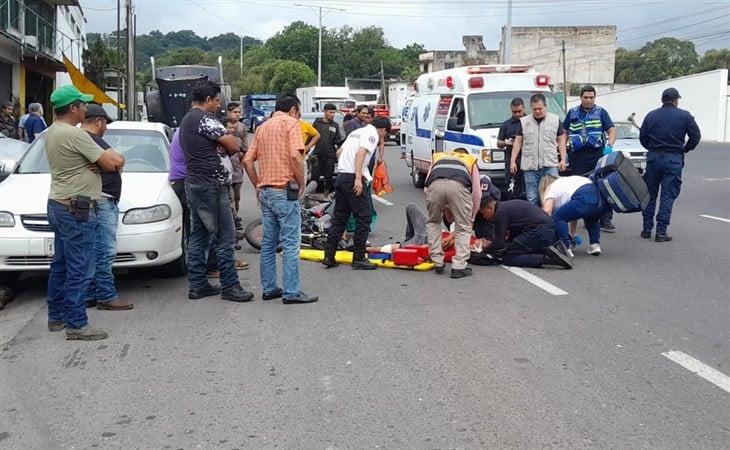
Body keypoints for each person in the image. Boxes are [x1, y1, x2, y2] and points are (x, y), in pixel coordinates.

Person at [44, 85, 125, 340]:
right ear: (73, 109)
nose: (85, 110)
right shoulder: (77, 135)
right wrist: (100, 164)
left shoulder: (52, 131)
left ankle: (56, 316)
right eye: (82, 105)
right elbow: (114, 163)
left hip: (57, 203)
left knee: (61, 264)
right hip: (76, 208)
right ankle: (77, 324)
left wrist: (94, 164)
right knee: (81, 268)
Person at [179, 80, 254, 303]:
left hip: (195, 183)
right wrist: (224, 142)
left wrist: (223, 142)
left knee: (199, 236)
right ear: (209, 99)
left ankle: (198, 284)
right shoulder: (204, 119)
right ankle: (230, 286)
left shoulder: (186, 119)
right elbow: (234, 146)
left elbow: (228, 143)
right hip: (211, 185)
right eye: (217, 101)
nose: (218, 105)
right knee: (224, 236)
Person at [243, 94, 318, 304]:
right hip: (285, 189)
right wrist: (302, 181)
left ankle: (269, 288)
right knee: (291, 242)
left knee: (268, 242)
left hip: (266, 191)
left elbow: (248, 160)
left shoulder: (262, 127)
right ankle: (291, 291)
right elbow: (296, 156)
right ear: (293, 110)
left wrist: (258, 183)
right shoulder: (292, 124)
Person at [81, 104, 133, 311]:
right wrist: (114, 164)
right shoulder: (92, 139)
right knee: (105, 249)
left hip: (98, 199)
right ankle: (105, 294)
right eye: (105, 123)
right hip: (102, 200)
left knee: (95, 249)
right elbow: (117, 161)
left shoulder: (83, 139)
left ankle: (90, 293)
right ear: (98, 121)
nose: (106, 128)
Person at [322, 116, 392, 271]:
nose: (383, 138)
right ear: (383, 130)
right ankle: (359, 257)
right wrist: (358, 178)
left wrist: (345, 168)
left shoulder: (357, 132)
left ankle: (329, 255)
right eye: (385, 134)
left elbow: (340, 152)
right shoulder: (372, 134)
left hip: (341, 176)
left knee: (340, 218)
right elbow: (361, 153)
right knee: (364, 216)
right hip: (352, 178)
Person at [640, 88, 701, 242]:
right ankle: (661, 232)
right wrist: (685, 149)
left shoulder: (651, 115)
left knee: (650, 194)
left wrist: (652, 149)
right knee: (667, 195)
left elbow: (643, 138)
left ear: (662, 100)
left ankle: (647, 229)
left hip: (653, 159)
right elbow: (695, 136)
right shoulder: (685, 116)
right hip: (673, 158)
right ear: (675, 100)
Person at [564, 85, 617, 232]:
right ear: (581, 97)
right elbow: (564, 132)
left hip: (597, 154)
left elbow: (611, 129)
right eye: (585, 97)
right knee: (579, 186)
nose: (588, 100)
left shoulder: (601, 112)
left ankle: (605, 219)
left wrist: (610, 145)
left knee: (602, 185)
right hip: (577, 156)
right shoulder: (572, 112)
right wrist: (562, 152)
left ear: (594, 98)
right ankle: (581, 214)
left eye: (591, 97)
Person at [424, 148, 481, 278]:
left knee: (433, 222)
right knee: (463, 227)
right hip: (459, 185)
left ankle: (437, 261)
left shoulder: (438, 157)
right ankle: (459, 267)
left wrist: (436, 207)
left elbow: (426, 187)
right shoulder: (470, 160)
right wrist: (471, 216)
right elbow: (477, 193)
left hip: (434, 185)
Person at [477, 198, 573, 269]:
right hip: (547, 230)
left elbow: (499, 243)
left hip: (538, 231)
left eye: (484, 213)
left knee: (508, 257)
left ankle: (547, 258)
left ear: (489, 208)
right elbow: (512, 237)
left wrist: (485, 247)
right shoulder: (507, 206)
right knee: (516, 248)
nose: (485, 217)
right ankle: (553, 249)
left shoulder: (500, 212)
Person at [509, 93, 567, 206]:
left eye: (540, 108)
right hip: (530, 167)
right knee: (532, 199)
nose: (537, 111)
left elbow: (561, 140)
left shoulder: (555, 120)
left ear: (545, 106)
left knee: (551, 198)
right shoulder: (524, 121)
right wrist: (512, 161)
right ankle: (535, 223)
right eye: (534, 109)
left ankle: (551, 222)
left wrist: (563, 159)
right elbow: (518, 142)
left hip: (550, 165)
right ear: (531, 108)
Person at [539, 175, 609, 256]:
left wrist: (543, 230)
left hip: (584, 196)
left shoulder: (551, 188)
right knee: (592, 219)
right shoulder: (567, 182)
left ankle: (565, 247)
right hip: (602, 201)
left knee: (558, 217)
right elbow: (573, 215)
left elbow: (547, 211)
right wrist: (573, 235)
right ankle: (595, 245)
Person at [223, 102, 248, 228]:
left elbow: (245, 148)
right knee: (229, 197)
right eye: (235, 112)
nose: (237, 114)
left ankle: (235, 214)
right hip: (225, 166)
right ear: (228, 112)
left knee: (237, 196)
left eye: (239, 112)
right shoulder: (222, 126)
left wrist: (243, 163)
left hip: (238, 167)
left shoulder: (242, 127)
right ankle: (232, 220)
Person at [497, 98, 526, 199]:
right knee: (512, 190)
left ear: (524, 108)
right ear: (511, 110)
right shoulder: (506, 125)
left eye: (519, 111)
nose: (517, 114)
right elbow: (498, 143)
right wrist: (506, 142)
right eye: (515, 112)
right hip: (512, 161)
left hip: (528, 161)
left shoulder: (530, 122)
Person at [311, 103, 343, 195]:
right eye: (330, 112)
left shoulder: (335, 125)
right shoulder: (317, 122)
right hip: (317, 155)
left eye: (334, 113)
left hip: (330, 156)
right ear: (325, 112)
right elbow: (311, 136)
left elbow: (337, 141)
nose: (332, 114)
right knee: (314, 177)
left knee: (328, 178)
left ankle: (325, 196)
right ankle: (311, 196)